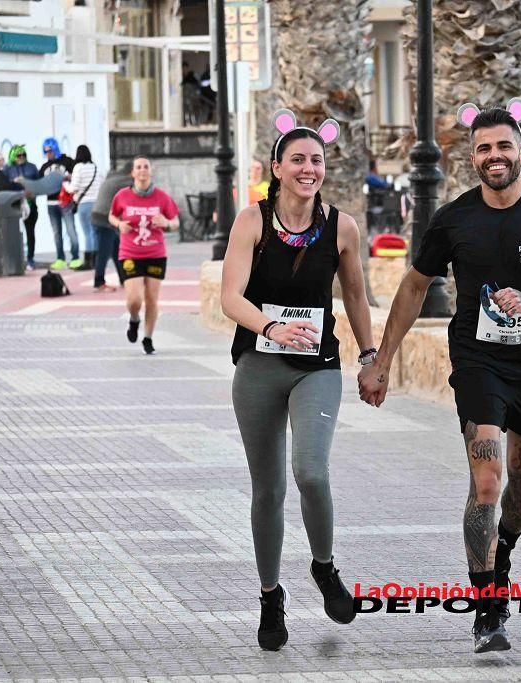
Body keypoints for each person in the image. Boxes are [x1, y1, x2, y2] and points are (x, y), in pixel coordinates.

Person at [358, 100, 521, 653]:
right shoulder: (454, 219)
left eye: (504, 146)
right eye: (484, 148)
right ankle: (488, 607)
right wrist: (382, 360)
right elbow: (415, 286)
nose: (495, 156)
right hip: (477, 361)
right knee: (486, 478)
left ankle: (503, 549)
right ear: (473, 158)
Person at [220, 110, 375, 651]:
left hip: (318, 367)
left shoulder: (343, 226)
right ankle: (270, 595)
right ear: (277, 168)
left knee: (311, 471)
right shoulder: (252, 221)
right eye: (298, 160)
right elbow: (230, 297)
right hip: (259, 366)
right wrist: (271, 326)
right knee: (269, 488)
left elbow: (355, 295)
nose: (308, 168)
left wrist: (371, 355)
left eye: (316, 160)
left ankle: (325, 568)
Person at [107, 156, 180, 355]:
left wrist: (166, 223)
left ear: (150, 171)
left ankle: (147, 337)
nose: (142, 170)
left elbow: (175, 222)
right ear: (133, 173)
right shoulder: (122, 196)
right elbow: (112, 215)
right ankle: (134, 319)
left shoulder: (162, 197)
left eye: (146, 167)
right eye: (138, 167)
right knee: (134, 299)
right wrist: (119, 224)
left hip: (155, 253)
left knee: (151, 299)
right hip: (130, 252)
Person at [90, 161, 133, 292]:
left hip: (99, 216)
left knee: (117, 250)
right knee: (104, 252)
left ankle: (123, 279)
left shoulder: (113, 177)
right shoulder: (126, 181)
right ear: (132, 172)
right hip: (105, 219)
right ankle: (99, 282)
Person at [38, 138, 79, 270]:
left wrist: (68, 177)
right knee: (57, 233)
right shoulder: (44, 167)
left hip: (66, 202)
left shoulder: (67, 161)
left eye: (50, 151)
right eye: (46, 151)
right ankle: (60, 258)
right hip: (51, 203)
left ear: (55, 149)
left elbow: (77, 174)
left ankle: (75, 257)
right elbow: (39, 184)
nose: (48, 154)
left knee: (71, 230)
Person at [65, 145, 104, 271]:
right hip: (97, 204)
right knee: (95, 232)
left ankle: (88, 261)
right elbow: (101, 184)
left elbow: (73, 188)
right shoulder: (96, 168)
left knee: (87, 233)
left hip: (84, 204)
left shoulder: (78, 168)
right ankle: (97, 260)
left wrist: (65, 184)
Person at [4, 145, 40, 270]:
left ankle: (30, 259)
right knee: (14, 233)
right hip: (14, 204)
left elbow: (38, 183)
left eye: (23, 154)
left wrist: (30, 187)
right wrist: (15, 182)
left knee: (30, 233)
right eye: (19, 155)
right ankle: (15, 259)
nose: (22, 157)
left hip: (30, 204)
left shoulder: (32, 167)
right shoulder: (7, 169)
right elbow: (4, 185)